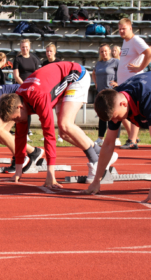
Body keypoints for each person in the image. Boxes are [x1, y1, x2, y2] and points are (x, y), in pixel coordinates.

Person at [0, 61, 118, 189]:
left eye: (15, 119)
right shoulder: (20, 100)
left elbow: (49, 135)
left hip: (77, 76)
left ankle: (95, 162)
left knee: (65, 125)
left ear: (20, 107)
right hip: (58, 82)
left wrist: (51, 174)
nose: (16, 122)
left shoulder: (39, 98)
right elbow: (20, 137)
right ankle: (100, 151)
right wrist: (18, 172)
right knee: (64, 134)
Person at [84, 71, 151, 204]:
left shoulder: (147, 98)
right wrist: (97, 180)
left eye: (116, 117)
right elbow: (108, 144)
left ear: (123, 104)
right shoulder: (113, 98)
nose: (115, 122)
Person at [114, 18, 151, 150]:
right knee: (122, 113)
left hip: (134, 84)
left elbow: (149, 53)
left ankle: (132, 139)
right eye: (119, 29)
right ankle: (133, 137)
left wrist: (140, 68)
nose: (121, 31)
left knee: (132, 110)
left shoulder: (136, 41)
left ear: (130, 28)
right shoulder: (126, 41)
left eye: (123, 29)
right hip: (124, 83)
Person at [92, 43, 121, 146]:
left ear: (109, 51)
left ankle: (116, 138)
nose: (104, 53)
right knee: (102, 115)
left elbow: (122, 73)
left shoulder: (116, 62)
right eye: (101, 51)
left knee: (114, 115)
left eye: (105, 51)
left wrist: (118, 83)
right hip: (101, 92)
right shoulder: (99, 63)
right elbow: (94, 73)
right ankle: (100, 138)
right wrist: (96, 83)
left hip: (112, 92)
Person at [13, 39, 40, 139]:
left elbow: (37, 74)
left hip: (31, 88)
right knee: (20, 110)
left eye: (26, 47)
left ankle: (27, 132)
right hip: (21, 88)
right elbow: (16, 75)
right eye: (23, 47)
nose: (25, 49)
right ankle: (19, 132)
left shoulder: (34, 59)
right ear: (20, 48)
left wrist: (32, 86)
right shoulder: (17, 59)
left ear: (29, 47)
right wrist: (24, 85)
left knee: (28, 111)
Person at [41, 43, 63, 143]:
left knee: (59, 114)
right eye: (47, 51)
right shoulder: (44, 63)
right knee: (46, 114)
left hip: (58, 90)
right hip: (47, 91)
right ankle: (47, 134)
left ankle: (60, 135)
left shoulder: (59, 62)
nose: (49, 53)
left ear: (54, 52)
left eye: (50, 51)